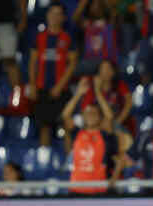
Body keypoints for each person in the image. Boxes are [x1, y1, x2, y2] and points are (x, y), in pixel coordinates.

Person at [62, 78, 123, 195]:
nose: (90, 115)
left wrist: (98, 92)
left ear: (100, 117)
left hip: (98, 191)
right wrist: (78, 94)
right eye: (87, 113)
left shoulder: (104, 135)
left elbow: (109, 117)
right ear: (83, 117)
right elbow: (65, 116)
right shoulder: (77, 133)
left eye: (94, 113)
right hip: (76, 190)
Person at [29, 3, 77, 146]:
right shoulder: (39, 37)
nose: (54, 17)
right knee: (44, 126)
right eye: (52, 13)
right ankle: (45, 161)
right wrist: (32, 85)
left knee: (66, 125)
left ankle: (70, 161)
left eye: (58, 14)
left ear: (63, 18)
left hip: (61, 89)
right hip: (42, 87)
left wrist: (60, 86)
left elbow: (72, 64)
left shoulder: (68, 38)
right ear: (47, 15)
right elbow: (33, 62)